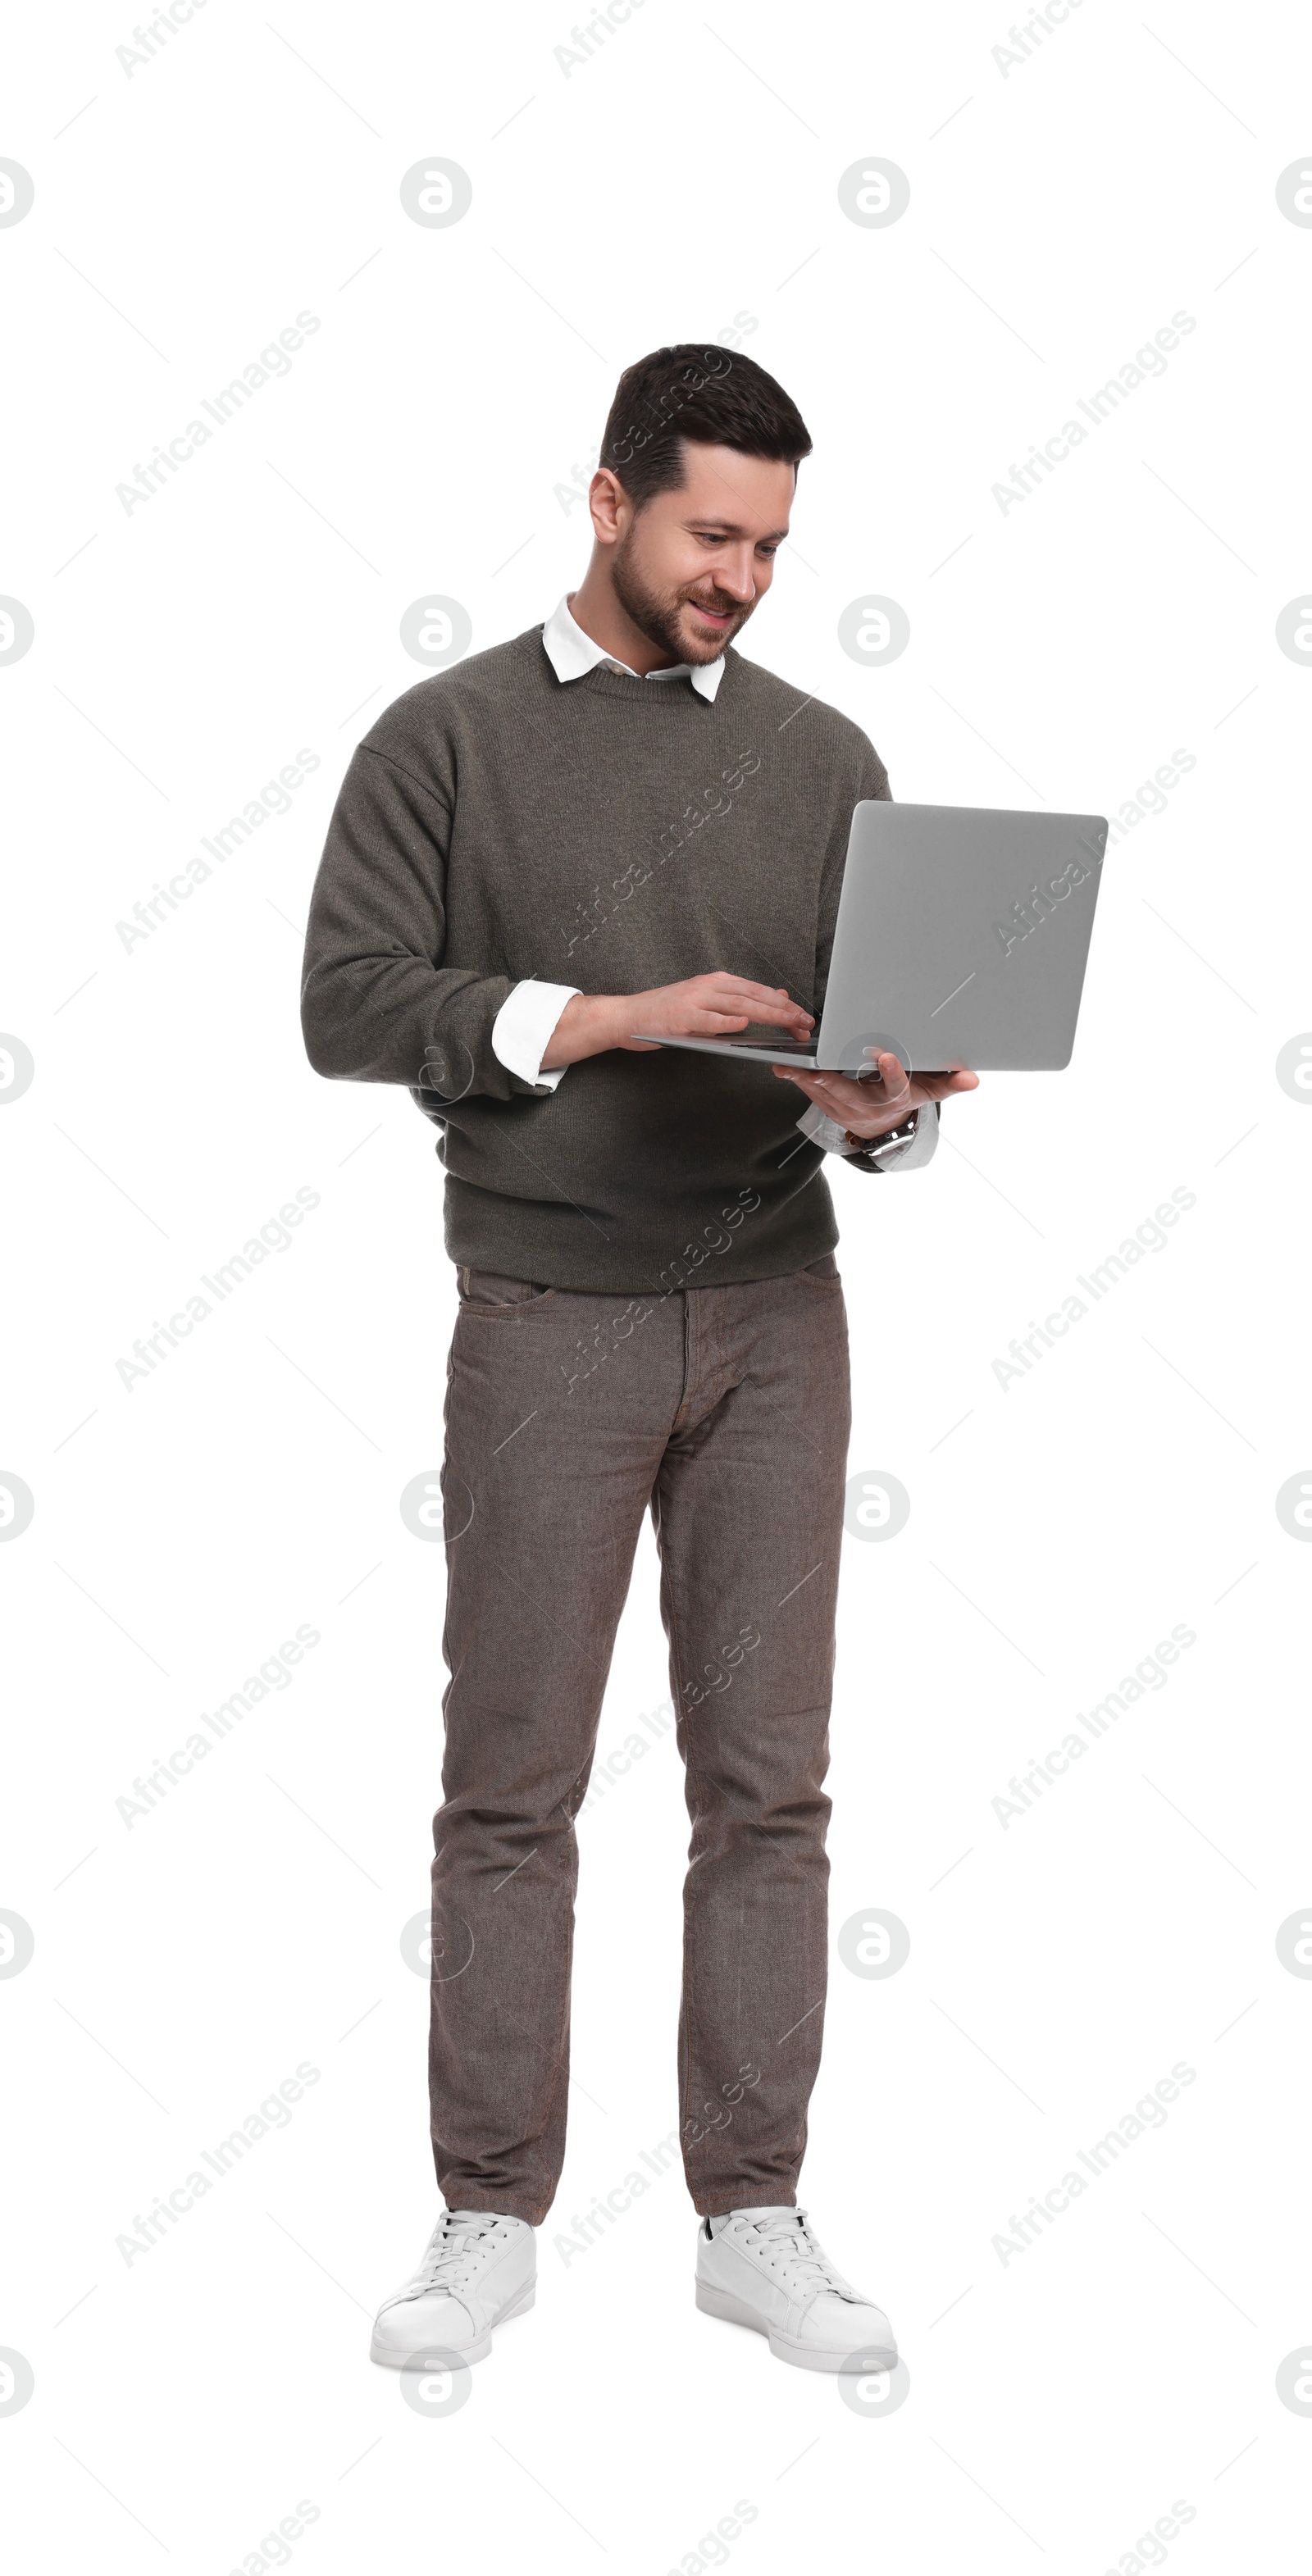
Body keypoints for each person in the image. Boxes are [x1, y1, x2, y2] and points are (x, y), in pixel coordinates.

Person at [300, 342, 977, 2378]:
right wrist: (590, 1014)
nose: (739, 578)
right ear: (606, 502)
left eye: (769, 544)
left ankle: (749, 2212)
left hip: (778, 1307)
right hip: (544, 1317)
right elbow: (346, 1001)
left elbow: (871, 1058)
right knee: (508, 1785)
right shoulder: (443, 739)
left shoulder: (826, 750)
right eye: (708, 532)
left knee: (768, 1787)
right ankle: (488, 2211)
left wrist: (888, 1109)